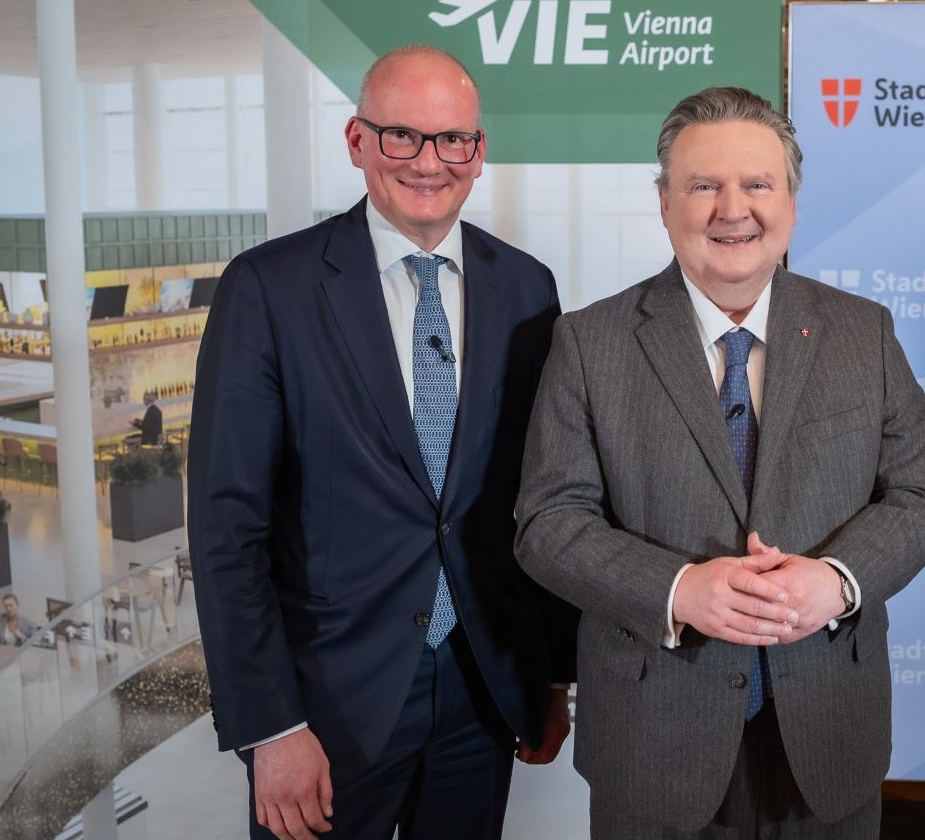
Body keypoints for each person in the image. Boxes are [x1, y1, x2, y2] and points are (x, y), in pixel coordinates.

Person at [515, 87, 925, 838]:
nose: (732, 208)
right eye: (704, 185)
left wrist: (836, 581)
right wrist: (677, 589)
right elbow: (548, 523)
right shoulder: (591, 343)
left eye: (757, 184)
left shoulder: (864, 333)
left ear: (792, 201)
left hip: (826, 736)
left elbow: (921, 495)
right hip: (653, 743)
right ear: (664, 203)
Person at [188, 45, 575, 840]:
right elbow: (228, 529)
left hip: (483, 690)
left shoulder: (528, 289)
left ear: (478, 152)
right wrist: (270, 727)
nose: (429, 163)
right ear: (357, 141)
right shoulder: (268, 288)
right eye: (402, 136)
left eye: (452, 140)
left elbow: (545, 495)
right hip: (324, 710)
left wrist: (551, 678)